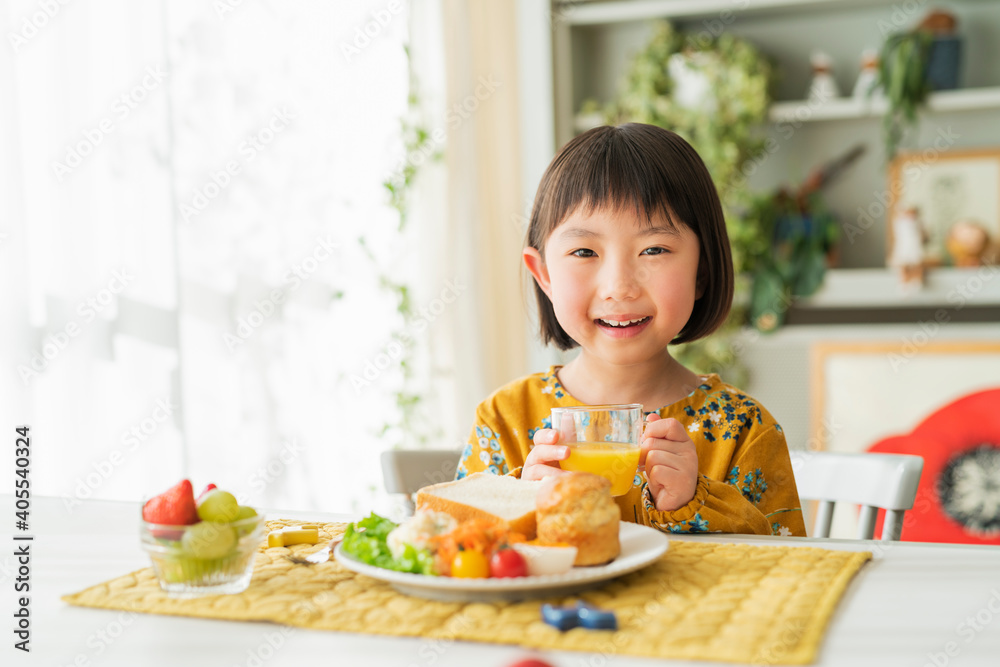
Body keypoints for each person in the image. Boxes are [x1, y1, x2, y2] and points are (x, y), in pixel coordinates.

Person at [456, 123, 806, 537]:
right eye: (584, 251)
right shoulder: (504, 421)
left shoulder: (743, 432)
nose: (619, 287)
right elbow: (461, 556)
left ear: (702, 271)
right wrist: (526, 507)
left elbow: (787, 578)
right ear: (544, 274)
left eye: (654, 249)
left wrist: (696, 505)